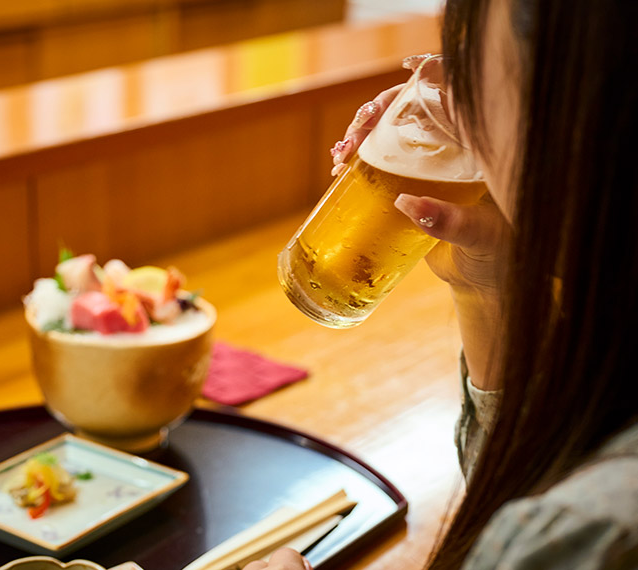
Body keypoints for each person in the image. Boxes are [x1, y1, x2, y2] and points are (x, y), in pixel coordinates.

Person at [246, 0, 638, 567]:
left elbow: (531, 531)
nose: (433, 80)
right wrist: (487, 286)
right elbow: (516, 491)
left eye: (468, 60)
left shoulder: (593, 530)